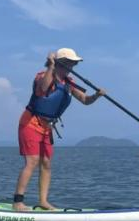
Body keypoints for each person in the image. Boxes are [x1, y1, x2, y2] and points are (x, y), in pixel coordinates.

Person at [13, 48, 106, 211]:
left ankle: (43, 201)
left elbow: (85, 100)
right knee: (32, 161)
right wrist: (50, 65)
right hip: (31, 123)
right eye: (70, 63)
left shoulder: (69, 83)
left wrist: (96, 96)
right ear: (61, 62)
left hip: (47, 127)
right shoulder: (43, 75)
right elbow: (43, 88)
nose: (73, 66)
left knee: (46, 164)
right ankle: (18, 202)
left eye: (74, 64)